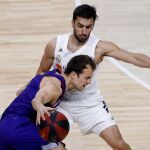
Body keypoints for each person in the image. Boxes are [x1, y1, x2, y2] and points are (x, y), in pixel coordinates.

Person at [17, 4, 150, 150]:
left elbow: (135, 58)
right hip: (60, 102)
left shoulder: (99, 48)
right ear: (72, 22)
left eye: (88, 27)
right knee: (45, 145)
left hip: (90, 103)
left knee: (119, 145)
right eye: (80, 26)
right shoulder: (55, 45)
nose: (84, 31)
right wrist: (32, 97)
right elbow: (41, 74)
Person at [0, 55, 96, 150]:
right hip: (19, 128)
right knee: (59, 148)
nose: (89, 82)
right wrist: (39, 106)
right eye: (87, 77)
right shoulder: (55, 87)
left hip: (4, 126)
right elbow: (37, 100)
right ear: (74, 75)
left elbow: (19, 92)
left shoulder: (49, 75)